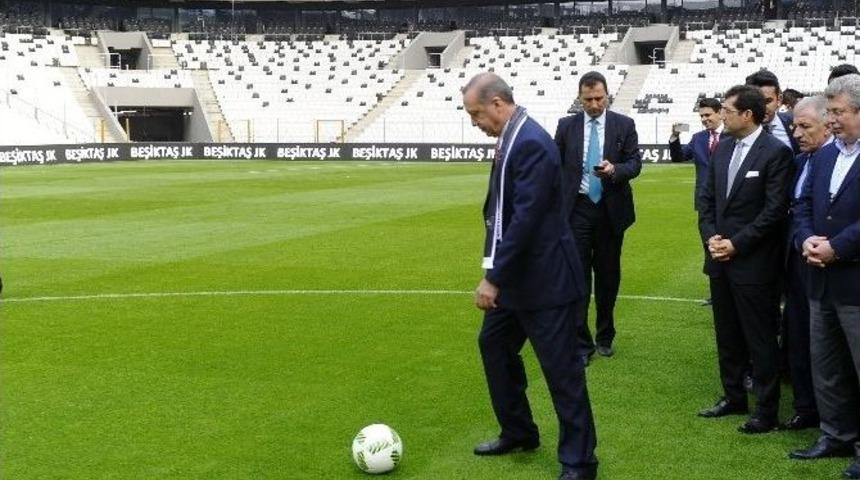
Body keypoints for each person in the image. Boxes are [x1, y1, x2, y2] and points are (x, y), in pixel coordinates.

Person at [464, 72, 598, 480]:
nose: (475, 124)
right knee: (494, 346)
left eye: (476, 115)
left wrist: (493, 276)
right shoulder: (514, 137)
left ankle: (579, 462)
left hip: (545, 281)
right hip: (519, 279)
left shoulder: (532, 142)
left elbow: (525, 219)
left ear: (498, 104)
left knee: (562, 373)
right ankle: (519, 431)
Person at [696, 84, 795, 434]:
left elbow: (773, 212)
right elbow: (705, 201)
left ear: (747, 115)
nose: (722, 115)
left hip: (753, 262)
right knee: (727, 334)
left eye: (727, 110)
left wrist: (736, 244)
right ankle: (733, 396)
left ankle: (766, 411)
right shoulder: (722, 149)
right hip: (720, 259)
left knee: (760, 337)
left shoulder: (775, 153)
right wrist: (712, 238)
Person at [789, 74, 860, 480]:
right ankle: (835, 435)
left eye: (838, 112)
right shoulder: (826, 156)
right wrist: (806, 239)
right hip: (820, 278)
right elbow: (800, 204)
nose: (831, 120)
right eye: (829, 112)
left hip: (853, 280)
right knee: (827, 364)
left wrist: (838, 247)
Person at [555, 71, 642, 363]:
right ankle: (582, 344)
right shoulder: (566, 126)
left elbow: (635, 163)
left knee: (607, 276)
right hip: (577, 210)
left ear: (607, 96)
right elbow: (556, 165)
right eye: (588, 99)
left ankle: (605, 336)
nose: (593, 104)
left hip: (609, 209)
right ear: (580, 97)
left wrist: (614, 170)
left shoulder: (624, 124)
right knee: (578, 278)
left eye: (598, 98)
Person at [780, 95, 833, 431]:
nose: (796, 133)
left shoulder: (837, 162)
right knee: (797, 335)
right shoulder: (800, 162)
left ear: (828, 126)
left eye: (804, 126)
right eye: (794, 125)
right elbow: (797, 209)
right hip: (797, 261)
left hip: (829, 263)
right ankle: (806, 408)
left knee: (827, 345)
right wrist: (803, 240)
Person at [669, 98, 725, 211]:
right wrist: (675, 136)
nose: (704, 119)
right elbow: (678, 158)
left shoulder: (734, 135)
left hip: (727, 197)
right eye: (701, 116)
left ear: (720, 113)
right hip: (704, 199)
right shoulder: (698, 138)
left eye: (707, 115)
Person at [746, 70, 801, 154]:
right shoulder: (738, 132)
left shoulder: (795, 122)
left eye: (768, 101)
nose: (762, 107)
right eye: (756, 102)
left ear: (779, 99)